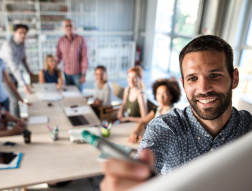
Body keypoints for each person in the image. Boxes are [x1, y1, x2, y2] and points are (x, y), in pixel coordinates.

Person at [100, 35, 252, 191]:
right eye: (193, 78)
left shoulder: (249, 130)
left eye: (214, 75)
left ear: (234, 79)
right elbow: (145, 164)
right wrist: (134, 179)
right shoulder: (164, 128)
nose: (204, 89)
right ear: (184, 85)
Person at [127, 77, 181, 143]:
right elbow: (143, 122)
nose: (161, 97)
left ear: (171, 96)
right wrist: (135, 133)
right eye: (158, 93)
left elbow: (168, 137)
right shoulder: (157, 108)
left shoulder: (173, 114)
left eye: (165, 94)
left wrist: (145, 141)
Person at [0, 24, 33, 117]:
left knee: (16, 99)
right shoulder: (8, 46)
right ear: (14, 33)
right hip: (5, 76)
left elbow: (24, 59)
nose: (23, 35)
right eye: (20, 32)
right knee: (14, 99)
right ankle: (16, 123)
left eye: (24, 33)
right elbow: (14, 67)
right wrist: (24, 84)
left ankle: (18, 120)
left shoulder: (22, 44)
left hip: (14, 75)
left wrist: (30, 72)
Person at [56, 19, 88, 92]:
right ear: (63, 27)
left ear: (73, 27)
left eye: (70, 25)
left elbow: (85, 57)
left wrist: (84, 74)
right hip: (66, 74)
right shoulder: (60, 40)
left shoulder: (81, 39)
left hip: (78, 74)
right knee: (68, 95)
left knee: (78, 96)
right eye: (66, 26)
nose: (68, 27)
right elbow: (58, 57)